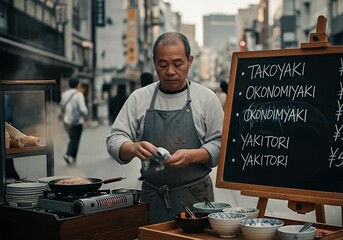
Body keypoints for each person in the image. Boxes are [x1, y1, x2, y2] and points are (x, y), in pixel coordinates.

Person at [106, 32, 224, 224]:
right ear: (154, 62)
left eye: (177, 64)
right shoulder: (139, 98)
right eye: (162, 65)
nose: (170, 71)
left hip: (196, 198)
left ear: (190, 60)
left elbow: (221, 145)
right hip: (153, 197)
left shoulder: (207, 99)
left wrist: (193, 156)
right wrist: (133, 148)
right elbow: (115, 139)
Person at [60, 77, 88, 166]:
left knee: (71, 138)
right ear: (77, 84)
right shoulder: (79, 95)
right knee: (75, 139)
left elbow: (61, 106)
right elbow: (83, 109)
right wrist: (85, 114)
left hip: (66, 120)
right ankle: (71, 156)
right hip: (76, 121)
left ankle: (69, 154)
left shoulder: (64, 94)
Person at [138, 72, 154, 180]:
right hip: (154, 127)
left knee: (144, 151)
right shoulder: (154, 92)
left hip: (143, 128)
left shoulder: (140, 95)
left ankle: (144, 171)